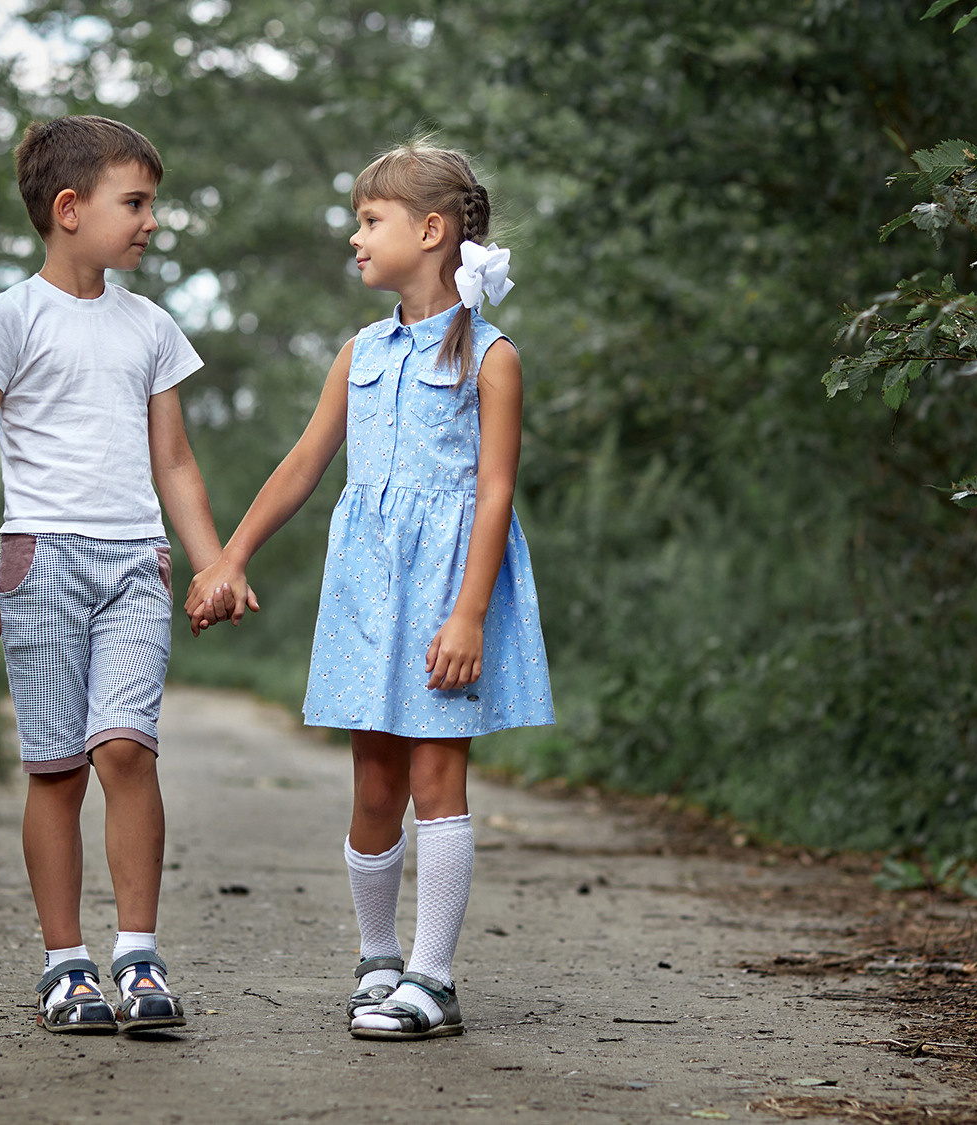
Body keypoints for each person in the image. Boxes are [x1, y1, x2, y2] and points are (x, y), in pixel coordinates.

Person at [188, 141, 554, 1041]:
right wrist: (230, 555)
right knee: (373, 778)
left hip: (445, 591)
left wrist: (469, 611)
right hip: (366, 589)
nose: (355, 237)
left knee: (438, 771)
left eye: (371, 220)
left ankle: (434, 978)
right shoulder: (359, 352)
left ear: (430, 232)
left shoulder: (492, 357)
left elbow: (497, 493)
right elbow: (306, 463)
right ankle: (378, 957)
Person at [0, 114, 246, 1035]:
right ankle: (65, 962)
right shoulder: (11, 316)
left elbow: (177, 464)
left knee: (125, 747)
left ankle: (139, 953)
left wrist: (212, 561)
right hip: (38, 562)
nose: (152, 221)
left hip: (133, 563)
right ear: (69, 209)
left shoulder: (151, 326)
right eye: (137, 203)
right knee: (58, 768)